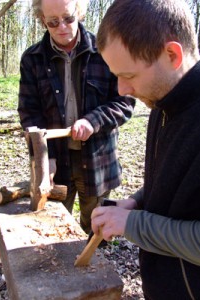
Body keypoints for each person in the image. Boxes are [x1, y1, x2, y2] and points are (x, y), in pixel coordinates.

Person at [91, 0, 200, 298]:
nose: (122, 90)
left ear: (172, 54)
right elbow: (175, 187)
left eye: (129, 75)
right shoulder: (163, 100)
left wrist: (133, 224)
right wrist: (136, 202)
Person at [18, 0, 135, 234]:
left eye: (68, 18)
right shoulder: (32, 59)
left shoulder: (105, 52)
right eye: (53, 22)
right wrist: (44, 157)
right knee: (54, 225)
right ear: (43, 21)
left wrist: (93, 121)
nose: (62, 26)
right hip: (56, 162)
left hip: (97, 159)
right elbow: (29, 113)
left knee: (96, 226)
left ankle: (91, 262)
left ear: (79, 13)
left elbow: (125, 102)